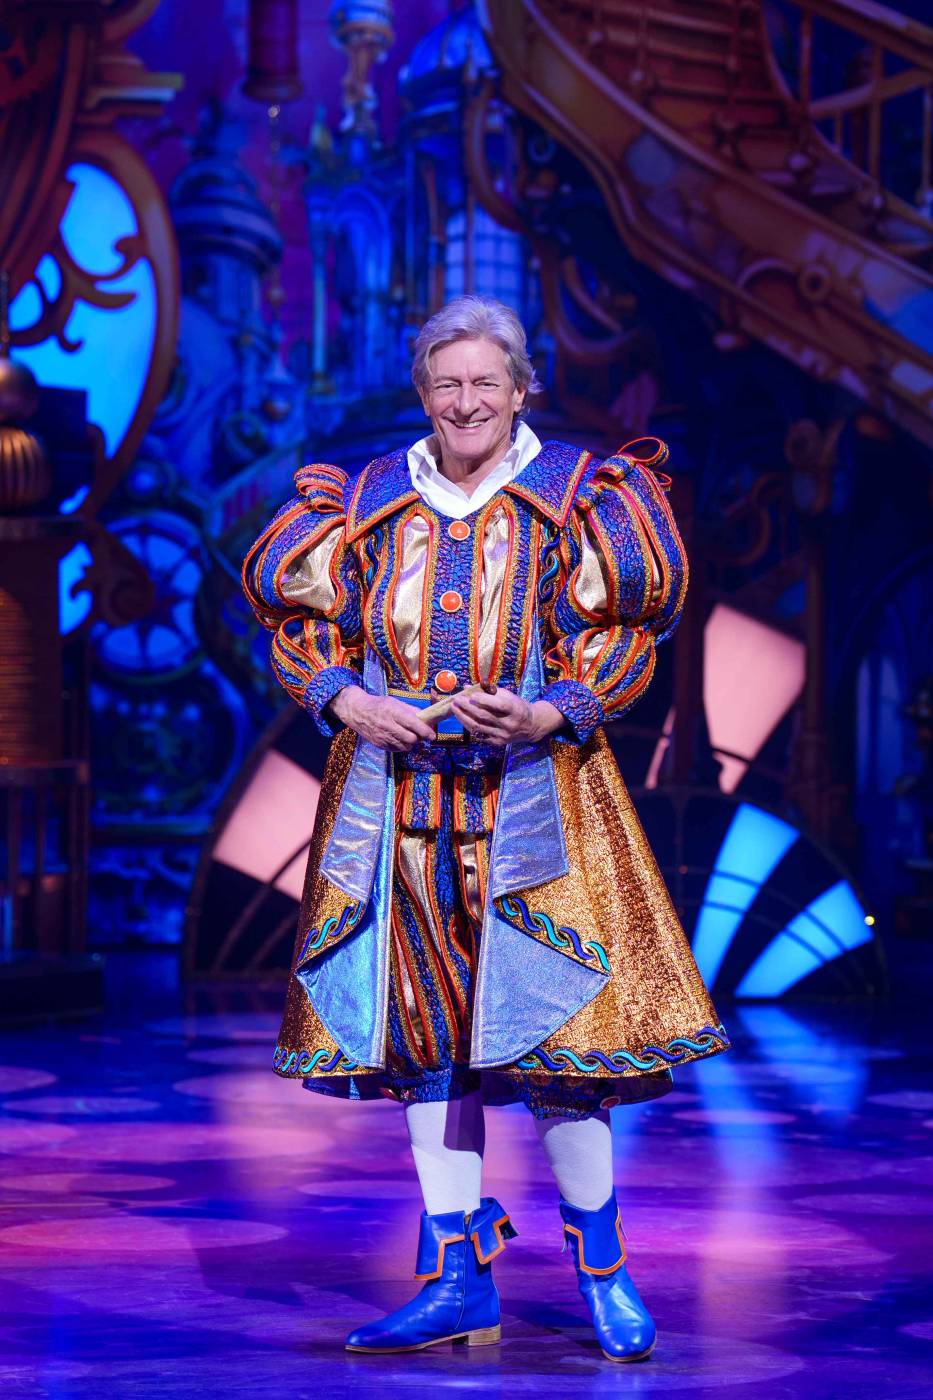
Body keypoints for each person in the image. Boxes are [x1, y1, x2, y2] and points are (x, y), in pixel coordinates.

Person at [242, 295, 728, 1362]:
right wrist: (345, 699)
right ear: (423, 392)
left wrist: (554, 709)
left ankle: (603, 1274)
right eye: (446, 383)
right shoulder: (365, 502)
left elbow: (627, 629)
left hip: (538, 797)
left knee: (558, 1038)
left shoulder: (580, 496)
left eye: (485, 383)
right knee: (424, 1039)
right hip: (399, 806)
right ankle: (456, 1279)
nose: (466, 402)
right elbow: (301, 626)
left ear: (520, 390)